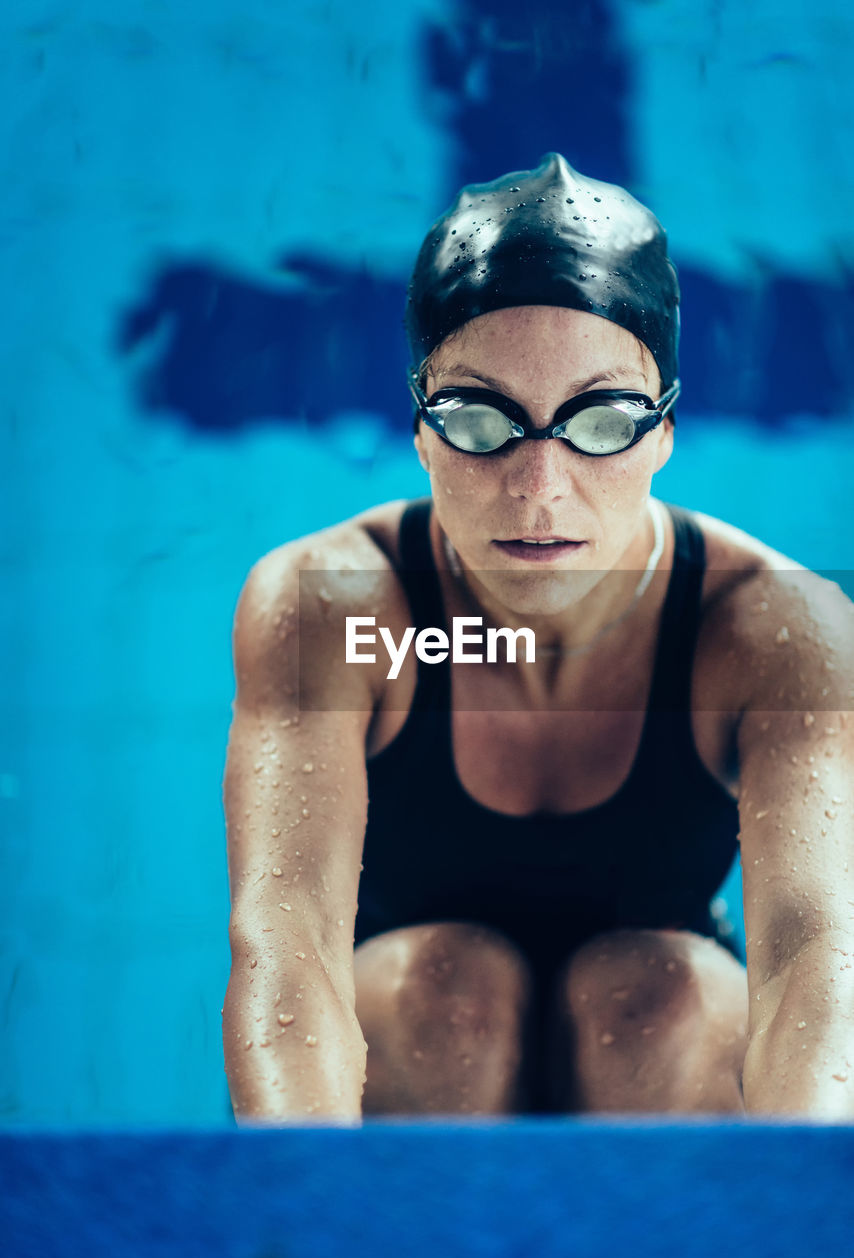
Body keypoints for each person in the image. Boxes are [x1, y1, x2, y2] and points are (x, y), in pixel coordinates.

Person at [222, 154, 853, 1121]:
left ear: (665, 433)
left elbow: (817, 965)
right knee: (449, 990)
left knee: (657, 993)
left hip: (669, 1074)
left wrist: (806, 1230)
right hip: (415, 1066)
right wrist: (301, 1213)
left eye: (600, 420)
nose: (539, 488)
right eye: (481, 419)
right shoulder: (342, 607)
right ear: (423, 431)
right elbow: (286, 944)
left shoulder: (772, 628)